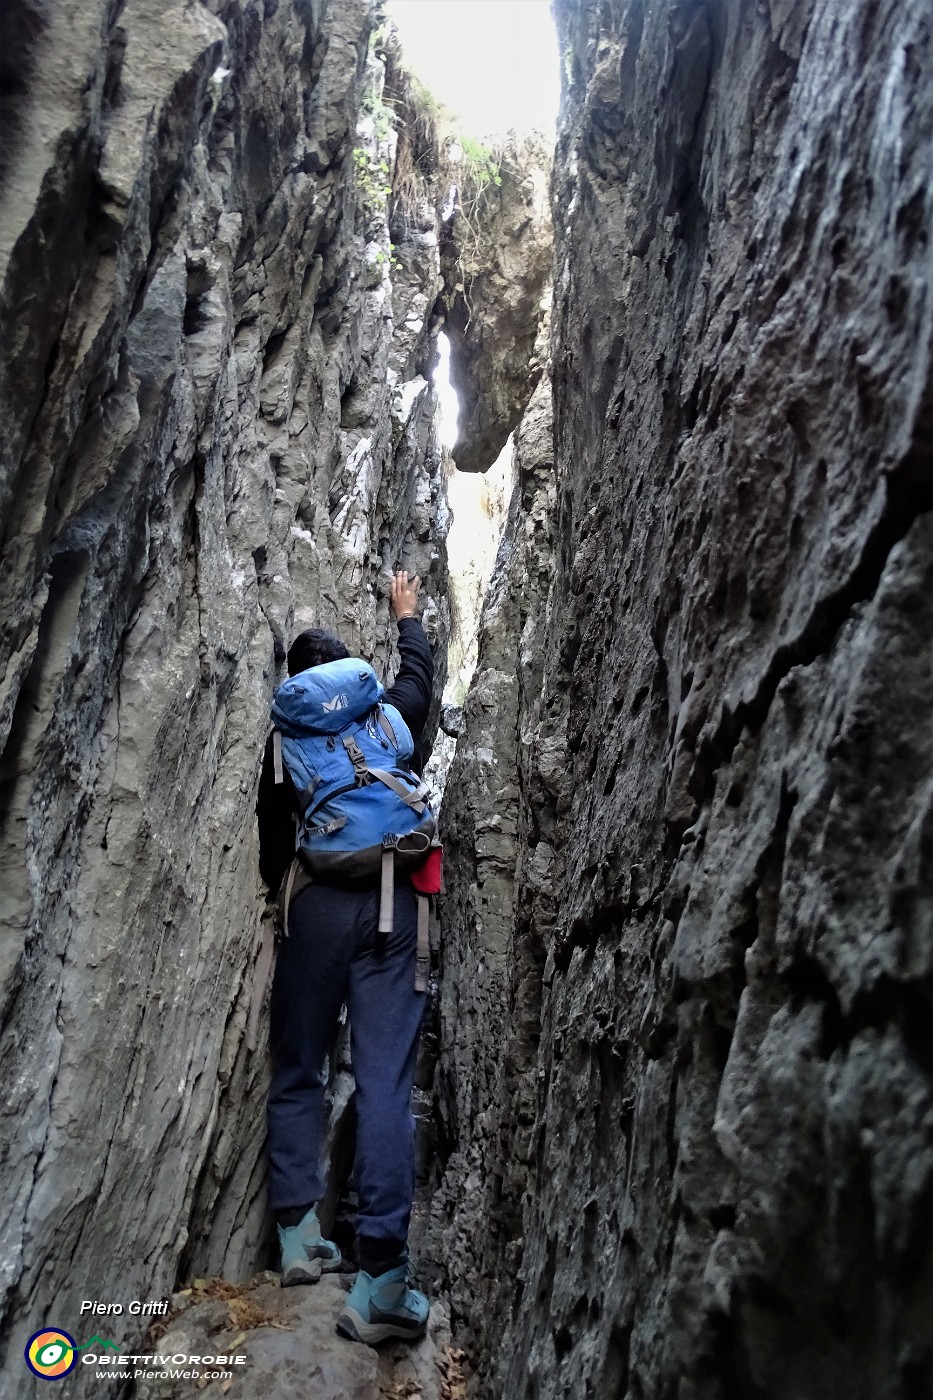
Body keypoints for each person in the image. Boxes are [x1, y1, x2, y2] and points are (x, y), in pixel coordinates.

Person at [256, 570, 434, 1346]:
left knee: (299, 1064)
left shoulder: (285, 742)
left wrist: (285, 896)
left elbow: (272, 842)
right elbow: (419, 678)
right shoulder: (388, 721)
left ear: (296, 684)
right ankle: (380, 1284)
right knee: (386, 1081)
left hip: (318, 904)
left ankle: (298, 1241)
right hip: (397, 903)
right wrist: (408, 616)